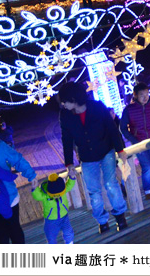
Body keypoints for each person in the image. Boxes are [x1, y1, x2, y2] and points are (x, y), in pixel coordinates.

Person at [58, 82, 129, 234]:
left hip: (106, 151)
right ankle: (102, 221)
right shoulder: (65, 115)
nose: (63, 104)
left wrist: (120, 150)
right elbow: (67, 139)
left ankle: (120, 217)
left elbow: (112, 129)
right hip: (87, 156)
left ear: (73, 98)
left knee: (111, 184)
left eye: (65, 101)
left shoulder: (97, 107)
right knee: (93, 191)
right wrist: (69, 163)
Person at [120, 83, 150, 200]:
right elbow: (123, 127)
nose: (145, 97)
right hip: (139, 143)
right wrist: (134, 140)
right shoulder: (129, 110)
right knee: (147, 167)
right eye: (141, 95)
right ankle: (148, 190)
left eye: (147, 94)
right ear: (135, 95)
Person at [31, 172, 76, 244]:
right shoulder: (45, 194)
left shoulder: (62, 188)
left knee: (68, 232)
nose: (58, 196)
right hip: (51, 220)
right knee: (51, 236)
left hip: (64, 216)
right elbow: (37, 196)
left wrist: (72, 177)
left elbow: (69, 185)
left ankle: (70, 243)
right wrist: (34, 188)